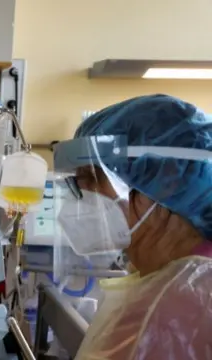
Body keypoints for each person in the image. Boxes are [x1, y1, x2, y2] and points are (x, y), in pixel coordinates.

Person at [51, 94, 212, 359]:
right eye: (77, 181)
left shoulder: (182, 305)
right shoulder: (165, 277)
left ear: (166, 182)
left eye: (92, 178)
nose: (81, 194)